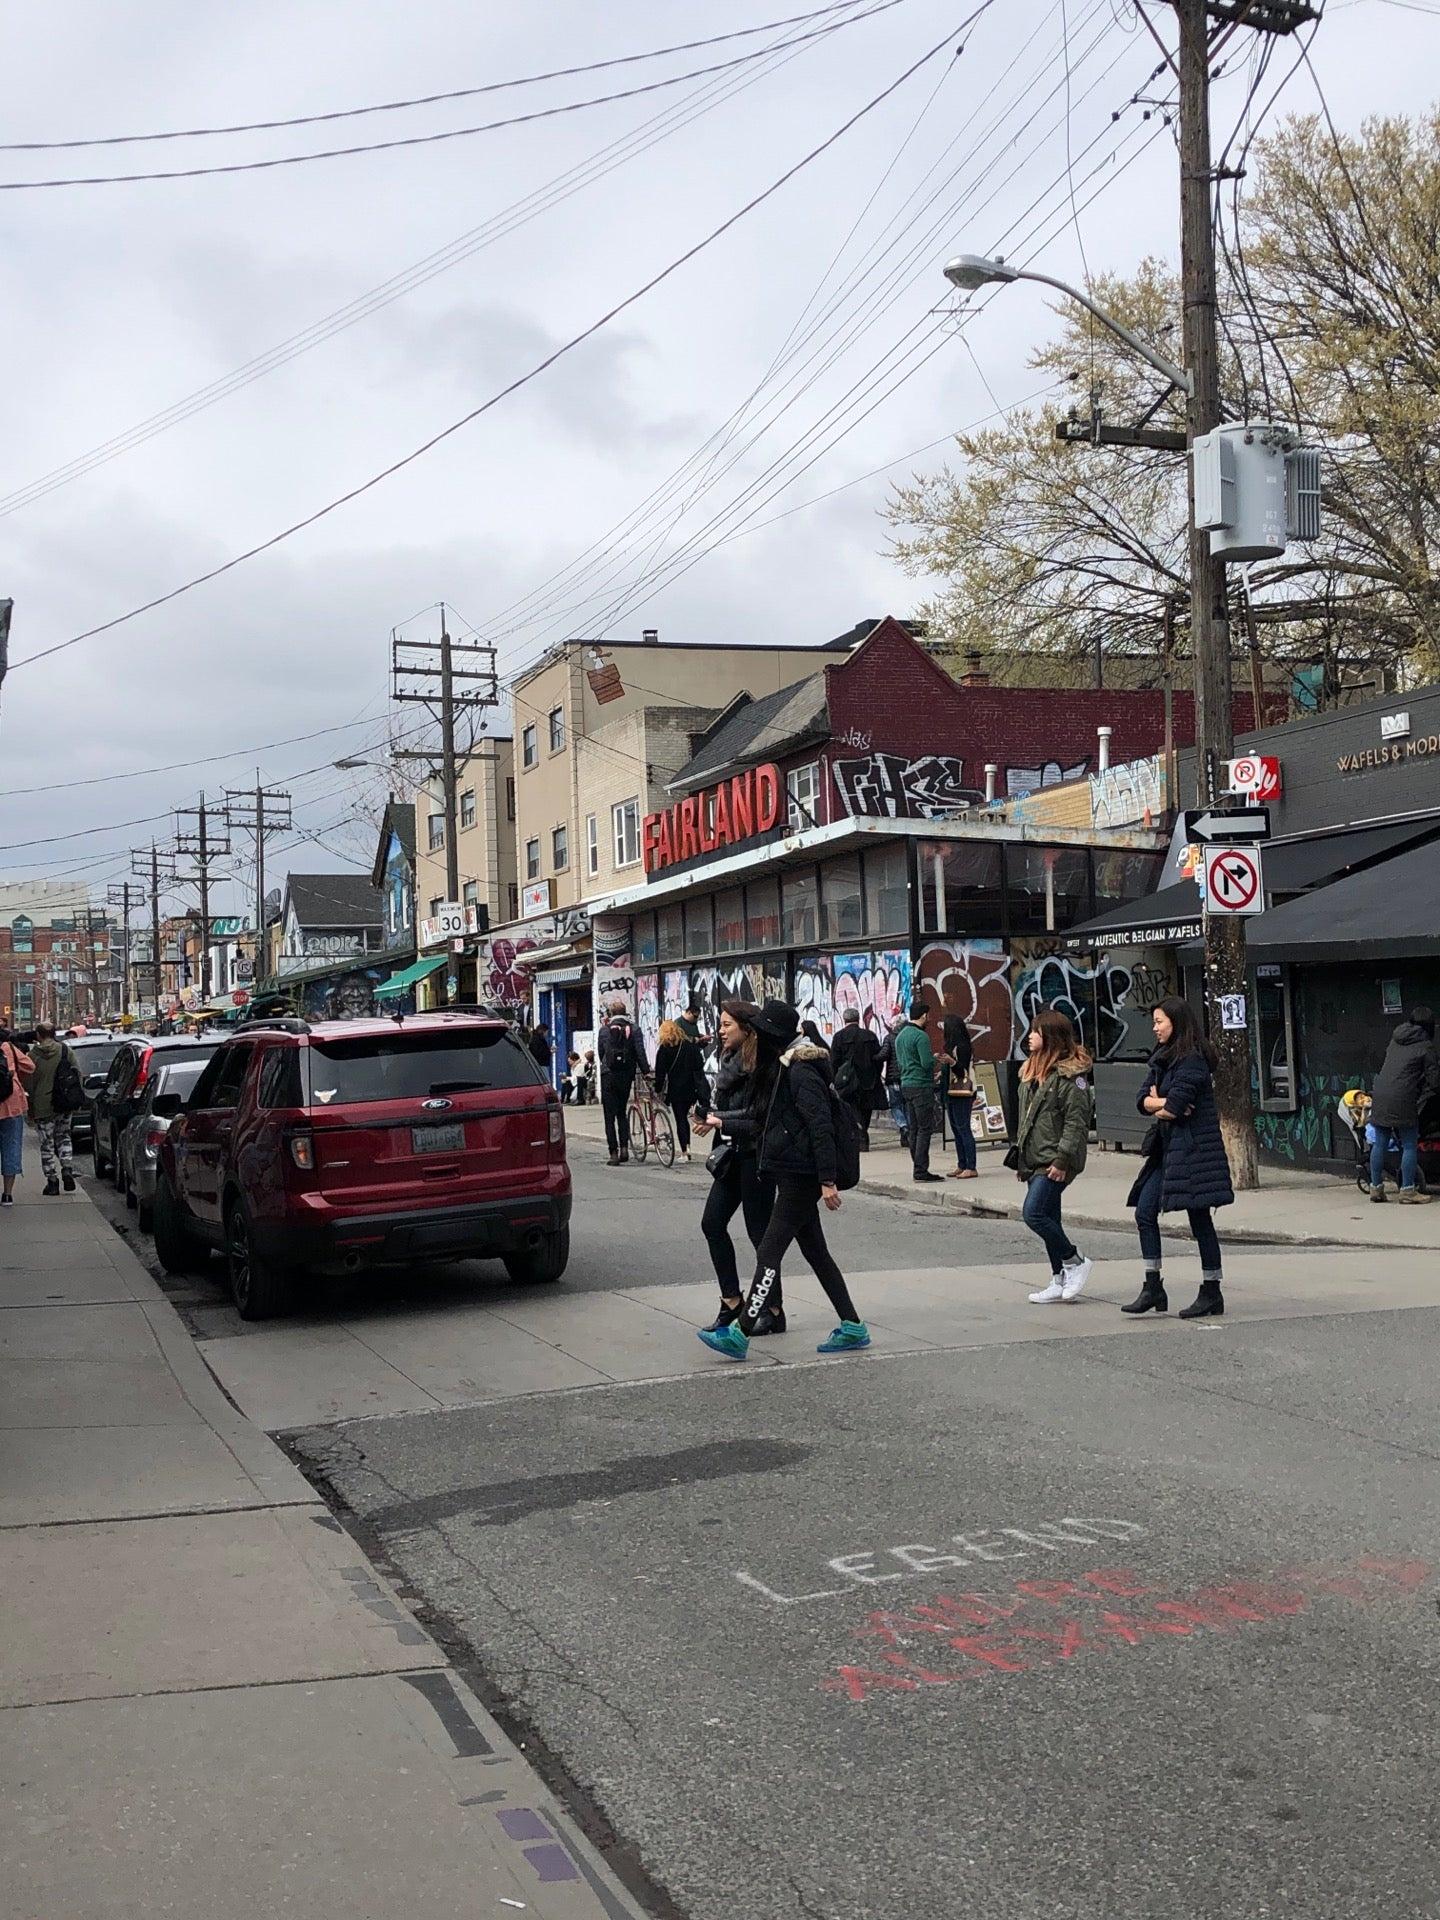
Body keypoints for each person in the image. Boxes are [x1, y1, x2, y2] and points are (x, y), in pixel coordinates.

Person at [698, 999, 869, 1362]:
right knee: (816, 1253)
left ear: (773, 1036)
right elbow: (762, 1121)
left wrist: (827, 1181)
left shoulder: (801, 1071)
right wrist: (721, 1122)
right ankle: (852, 1325)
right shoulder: (781, 1069)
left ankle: (741, 1332)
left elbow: (820, 1126)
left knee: (769, 1251)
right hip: (794, 1171)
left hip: (801, 1177)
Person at [1123, 996, 1234, 1318]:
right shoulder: (1162, 1058)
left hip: (1194, 1150)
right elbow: (1142, 1101)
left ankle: (1212, 1291)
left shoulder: (1193, 1060)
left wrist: (1164, 1103)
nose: (1155, 1028)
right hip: (1166, 1149)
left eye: (1159, 1021)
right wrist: (1162, 1103)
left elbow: (1173, 1110)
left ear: (1177, 1023)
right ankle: (1153, 1286)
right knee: (1144, 1211)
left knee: (1200, 1220)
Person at [694, 1001, 780, 1334]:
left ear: (747, 1029)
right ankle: (732, 1301)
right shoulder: (728, 1061)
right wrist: (710, 1117)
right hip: (731, 1155)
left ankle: (773, 1309)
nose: (721, 1030)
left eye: (727, 1025)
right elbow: (728, 1109)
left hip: (756, 1157)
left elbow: (759, 1118)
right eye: (721, 1024)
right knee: (712, 1223)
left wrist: (720, 1121)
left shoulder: (763, 1066)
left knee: (761, 1237)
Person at [1015, 1007, 1094, 1304]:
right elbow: (1026, 1118)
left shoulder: (1072, 1077)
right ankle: (1058, 1277)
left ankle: (1075, 1260)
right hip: (1035, 1157)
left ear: (1051, 1037)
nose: (1030, 1036)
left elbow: (1076, 1122)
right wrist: (1021, 1158)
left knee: (1033, 1213)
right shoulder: (1031, 1071)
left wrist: (1062, 1160)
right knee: (1050, 1217)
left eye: (1037, 1031)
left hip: (1056, 1158)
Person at [1367, 1005, 1438, 1204]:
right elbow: (1435, 1081)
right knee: (1409, 1144)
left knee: (1380, 1143)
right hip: (1403, 1098)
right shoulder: (1425, 1046)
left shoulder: (1395, 1039)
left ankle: (1376, 1188)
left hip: (1380, 1094)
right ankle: (1407, 1190)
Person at [28, 1022, 82, 1196]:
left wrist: (30, 1107)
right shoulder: (65, 1051)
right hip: (64, 1103)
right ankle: (66, 1167)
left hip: (42, 1105)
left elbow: (28, 1082)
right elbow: (77, 1073)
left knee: (47, 1144)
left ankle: (52, 1180)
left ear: (39, 1035)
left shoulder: (33, 1055)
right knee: (64, 1136)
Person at [893, 999, 943, 1183]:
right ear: (923, 1016)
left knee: (913, 1128)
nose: (929, 1018)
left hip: (906, 1084)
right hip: (921, 1085)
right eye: (928, 1015)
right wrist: (935, 1059)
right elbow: (926, 1063)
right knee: (924, 1129)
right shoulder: (921, 1037)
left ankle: (917, 1164)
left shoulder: (901, 1035)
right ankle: (921, 1170)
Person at [597, 999, 648, 1165]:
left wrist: (608, 1065)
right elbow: (640, 1052)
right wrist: (646, 1072)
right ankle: (625, 1149)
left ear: (611, 1014)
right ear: (625, 1012)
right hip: (626, 1076)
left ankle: (613, 1153)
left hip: (608, 1075)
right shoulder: (634, 1029)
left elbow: (600, 1053)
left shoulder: (604, 1030)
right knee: (621, 1112)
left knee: (608, 1116)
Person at [654, 1017, 708, 1161]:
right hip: (691, 1087)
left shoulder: (664, 1050)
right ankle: (688, 1144)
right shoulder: (689, 1046)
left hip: (676, 1090)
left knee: (680, 1119)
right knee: (687, 1115)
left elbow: (660, 1074)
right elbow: (699, 1066)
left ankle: (685, 1150)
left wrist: (657, 1088)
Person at [830, 1007, 881, 1149]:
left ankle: (860, 1137)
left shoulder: (839, 1037)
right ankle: (863, 1133)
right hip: (868, 1079)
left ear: (844, 1020)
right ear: (858, 1019)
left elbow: (834, 1060)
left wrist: (835, 1079)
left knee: (852, 1108)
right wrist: (875, 1074)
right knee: (866, 1109)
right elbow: (878, 1058)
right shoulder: (870, 1035)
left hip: (848, 1081)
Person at [0, 1027, 37, 1205]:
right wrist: (14, 1076)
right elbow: (30, 1066)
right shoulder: (9, 1048)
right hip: (11, 1104)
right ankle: (7, 1194)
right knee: (11, 1147)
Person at [939, 1013, 978, 1179]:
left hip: (962, 1091)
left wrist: (951, 1062)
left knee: (963, 1127)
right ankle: (961, 1164)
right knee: (956, 1128)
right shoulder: (951, 1046)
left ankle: (971, 1165)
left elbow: (962, 1071)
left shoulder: (962, 1046)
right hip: (951, 1090)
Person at [878, 1014, 909, 1149]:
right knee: (907, 1104)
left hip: (894, 1077)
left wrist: (872, 1058)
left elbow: (883, 1055)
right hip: (908, 1077)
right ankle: (909, 1129)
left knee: (896, 1105)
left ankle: (903, 1126)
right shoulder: (910, 1037)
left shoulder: (890, 1038)